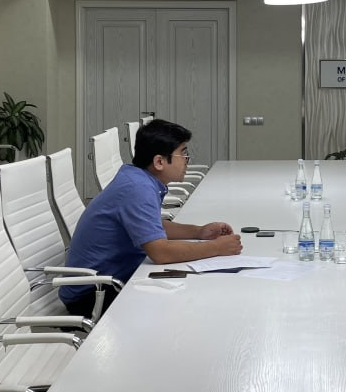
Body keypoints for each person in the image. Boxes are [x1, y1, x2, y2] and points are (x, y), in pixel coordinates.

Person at [59, 118, 241, 317]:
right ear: (159, 162)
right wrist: (217, 248)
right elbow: (161, 253)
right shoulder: (138, 188)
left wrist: (199, 232)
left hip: (114, 279)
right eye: (182, 153)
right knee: (186, 305)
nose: (187, 160)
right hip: (93, 294)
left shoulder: (139, 178)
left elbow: (152, 226)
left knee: (190, 294)